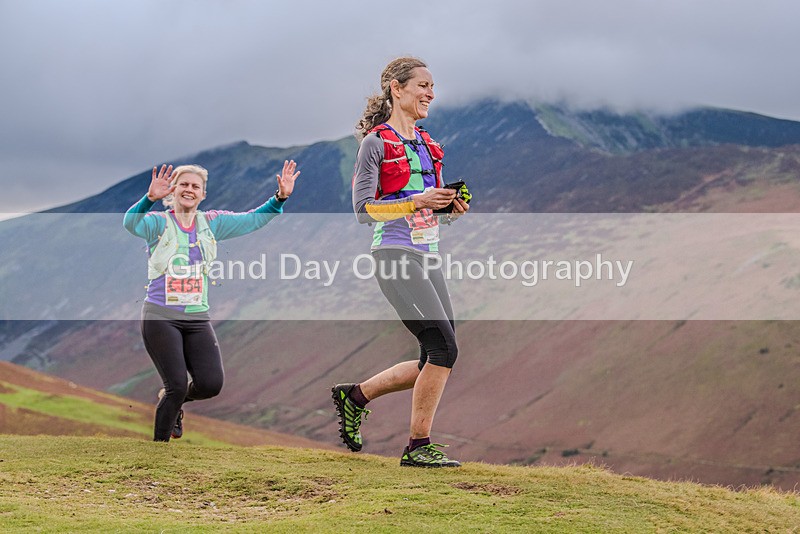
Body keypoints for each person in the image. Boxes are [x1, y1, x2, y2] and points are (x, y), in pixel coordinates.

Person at [332, 57, 470, 467]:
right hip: (394, 254)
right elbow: (362, 210)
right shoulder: (376, 142)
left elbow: (426, 208)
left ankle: (354, 396)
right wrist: (417, 201)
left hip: (427, 254)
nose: (431, 93)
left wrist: (449, 208)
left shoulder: (430, 144)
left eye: (433, 87)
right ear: (397, 88)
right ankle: (417, 447)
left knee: (437, 356)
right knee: (443, 347)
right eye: (423, 85)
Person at [124, 161, 299, 441]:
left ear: (203, 194)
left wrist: (280, 198)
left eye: (195, 186)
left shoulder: (212, 222)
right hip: (160, 316)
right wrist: (149, 200)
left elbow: (252, 219)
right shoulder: (158, 223)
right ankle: (158, 451)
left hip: (196, 318)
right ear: (173, 190)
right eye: (184, 184)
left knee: (210, 384)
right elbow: (130, 223)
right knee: (177, 385)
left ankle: (177, 403)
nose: (189, 190)